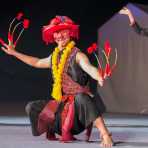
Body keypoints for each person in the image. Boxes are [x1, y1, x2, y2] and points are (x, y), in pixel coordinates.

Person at [1, 15, 114, 147]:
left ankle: (105, 134)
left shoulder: (78, 55)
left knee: (82, 97)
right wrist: (15, 53)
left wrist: (99, 76)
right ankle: (57, 129)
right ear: (53, 36)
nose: (59, 35)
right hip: (62, 110)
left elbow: (88, 67)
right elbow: (36, 62)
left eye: (63, 32)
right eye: (56, 32)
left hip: (80, 114)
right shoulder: (54, 57)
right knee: (32, 107)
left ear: (70, 33)